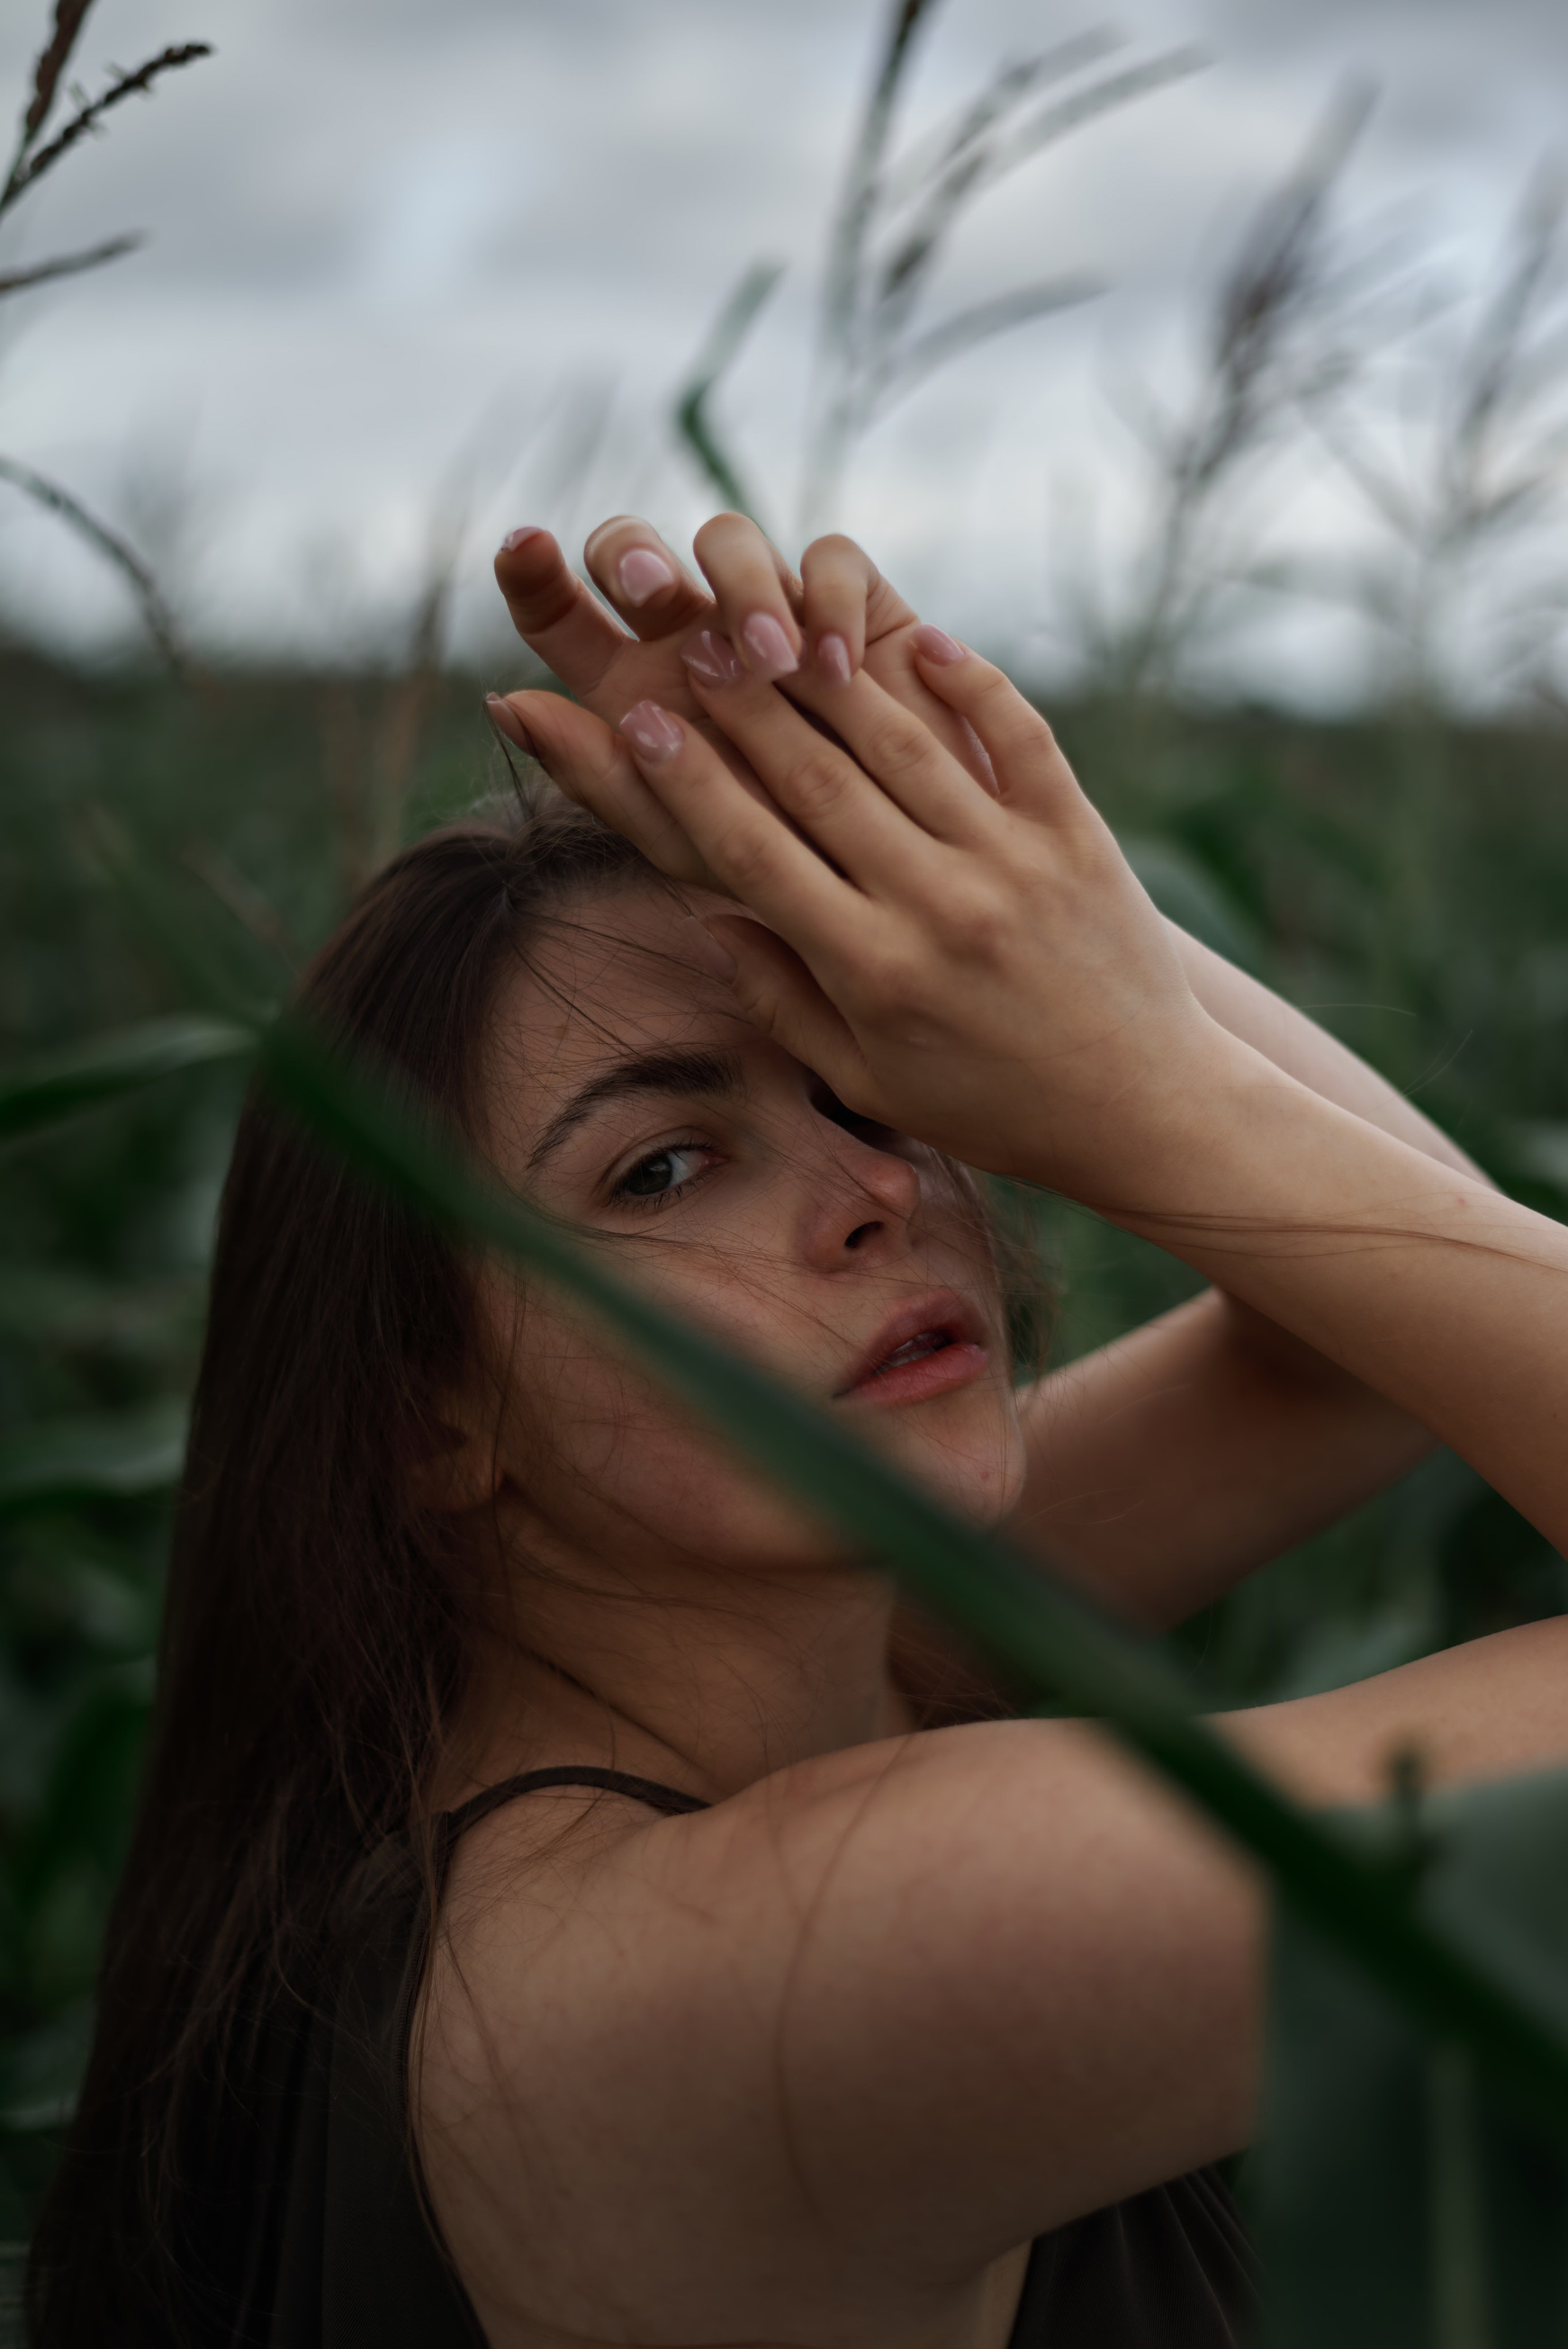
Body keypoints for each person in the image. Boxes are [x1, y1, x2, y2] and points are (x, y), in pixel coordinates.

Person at [29, 515, 1568, 2349]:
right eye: (663, 1164)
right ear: (429, 1423)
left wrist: (1002, 909)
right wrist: (1135, 1076)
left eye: (865, 1076)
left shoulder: (771, 1650)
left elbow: (1354, 1346)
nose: (870, 1188)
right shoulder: (781, 1970)